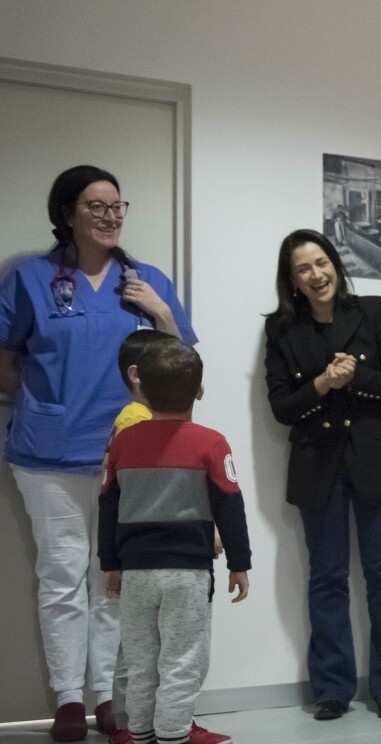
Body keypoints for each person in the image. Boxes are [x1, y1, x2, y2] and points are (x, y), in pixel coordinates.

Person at [0, 165, 196, 741]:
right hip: (47, 455)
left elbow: (180, 365)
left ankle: (108, 698)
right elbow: (6, 359)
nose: (110, 215)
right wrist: (42, 405)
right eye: (96, 205)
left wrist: (160, 313)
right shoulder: (30, 277)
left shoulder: (146, 279)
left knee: (113, 580)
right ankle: (66, 700)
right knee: (60, 575)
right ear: (67, 214)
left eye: (117, 206)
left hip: (129, 454)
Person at [263, 229, 381, 720]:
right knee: (327, 578)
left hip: (377, 459)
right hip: (318, 464)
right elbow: (281, 408)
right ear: (292, 281)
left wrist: (359, 378)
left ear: (336, 262)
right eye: (304, 269)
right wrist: (322, 384)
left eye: (322, 262)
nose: (317, 274)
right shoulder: (281, 330)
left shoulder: (373, 310)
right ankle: (332, 688)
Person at [98, 338, 250, 744]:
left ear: (142, 389)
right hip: (187, 572)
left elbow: (107, 506)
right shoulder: (212, 443)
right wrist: (240, 562)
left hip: (136, 573)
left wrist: (109, 563)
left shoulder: (123, 443)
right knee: (181, 660)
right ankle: (174, 737)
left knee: (141, 661)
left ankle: (142, 735)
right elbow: (231, 507)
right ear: (199, 391)